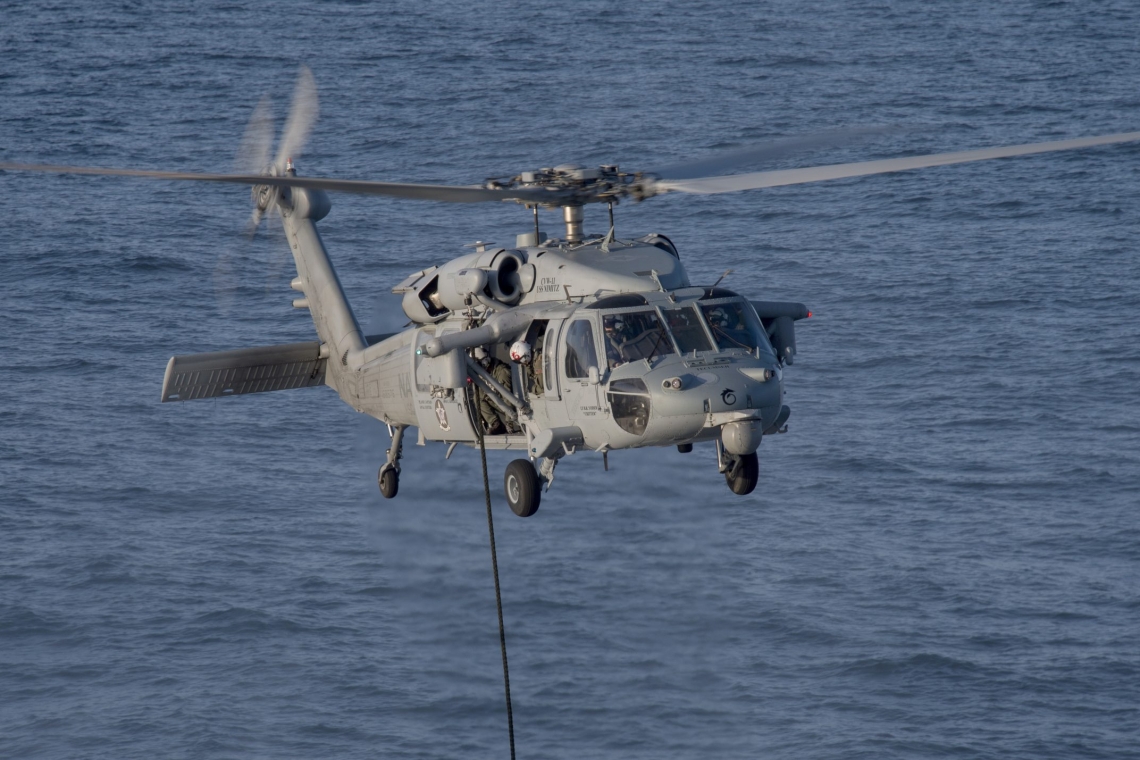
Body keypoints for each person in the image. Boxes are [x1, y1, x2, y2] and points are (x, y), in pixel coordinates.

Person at [474, 346, 513, 435]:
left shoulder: (502, 372)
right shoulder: (484, 374)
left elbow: (508, 398)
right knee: (478, 397)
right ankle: (496, 424)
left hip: (512, 406)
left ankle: (507, 423)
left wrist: (509, 422)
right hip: (502, 403)